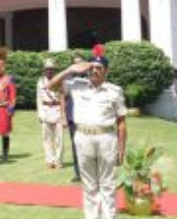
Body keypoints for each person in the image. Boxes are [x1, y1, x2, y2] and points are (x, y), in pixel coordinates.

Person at [48, 51, 127, 219]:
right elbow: (51, 85)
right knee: (89, 184)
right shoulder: (77, 84)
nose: (94, 71)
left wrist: (121, 148)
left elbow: (121, 121)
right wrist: (71, 69)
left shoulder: (115, 91)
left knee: (107, 183)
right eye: (91, 68)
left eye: (99, 68)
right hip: (83, 137)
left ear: (106, 71)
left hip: (106, 138)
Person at [37, 58, 64, 169]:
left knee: (59, 138)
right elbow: (38, 98)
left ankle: (58, 160)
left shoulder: (59, 80)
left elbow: (62, 98)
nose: (49, 71)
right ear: (44, 70)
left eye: (51, 69)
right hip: (45, 110)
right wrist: (40, 113)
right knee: (47, 138)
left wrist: (63, 115)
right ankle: (49, 159)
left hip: (57, 109)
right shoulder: (40, 82)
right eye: (47, 69)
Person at [0, 48, 16, 161]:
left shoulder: (9, 79)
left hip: (5, 109)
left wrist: (11, 108)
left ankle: (5, 153)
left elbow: (12, 95)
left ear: (3, 68)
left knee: (5, 132)